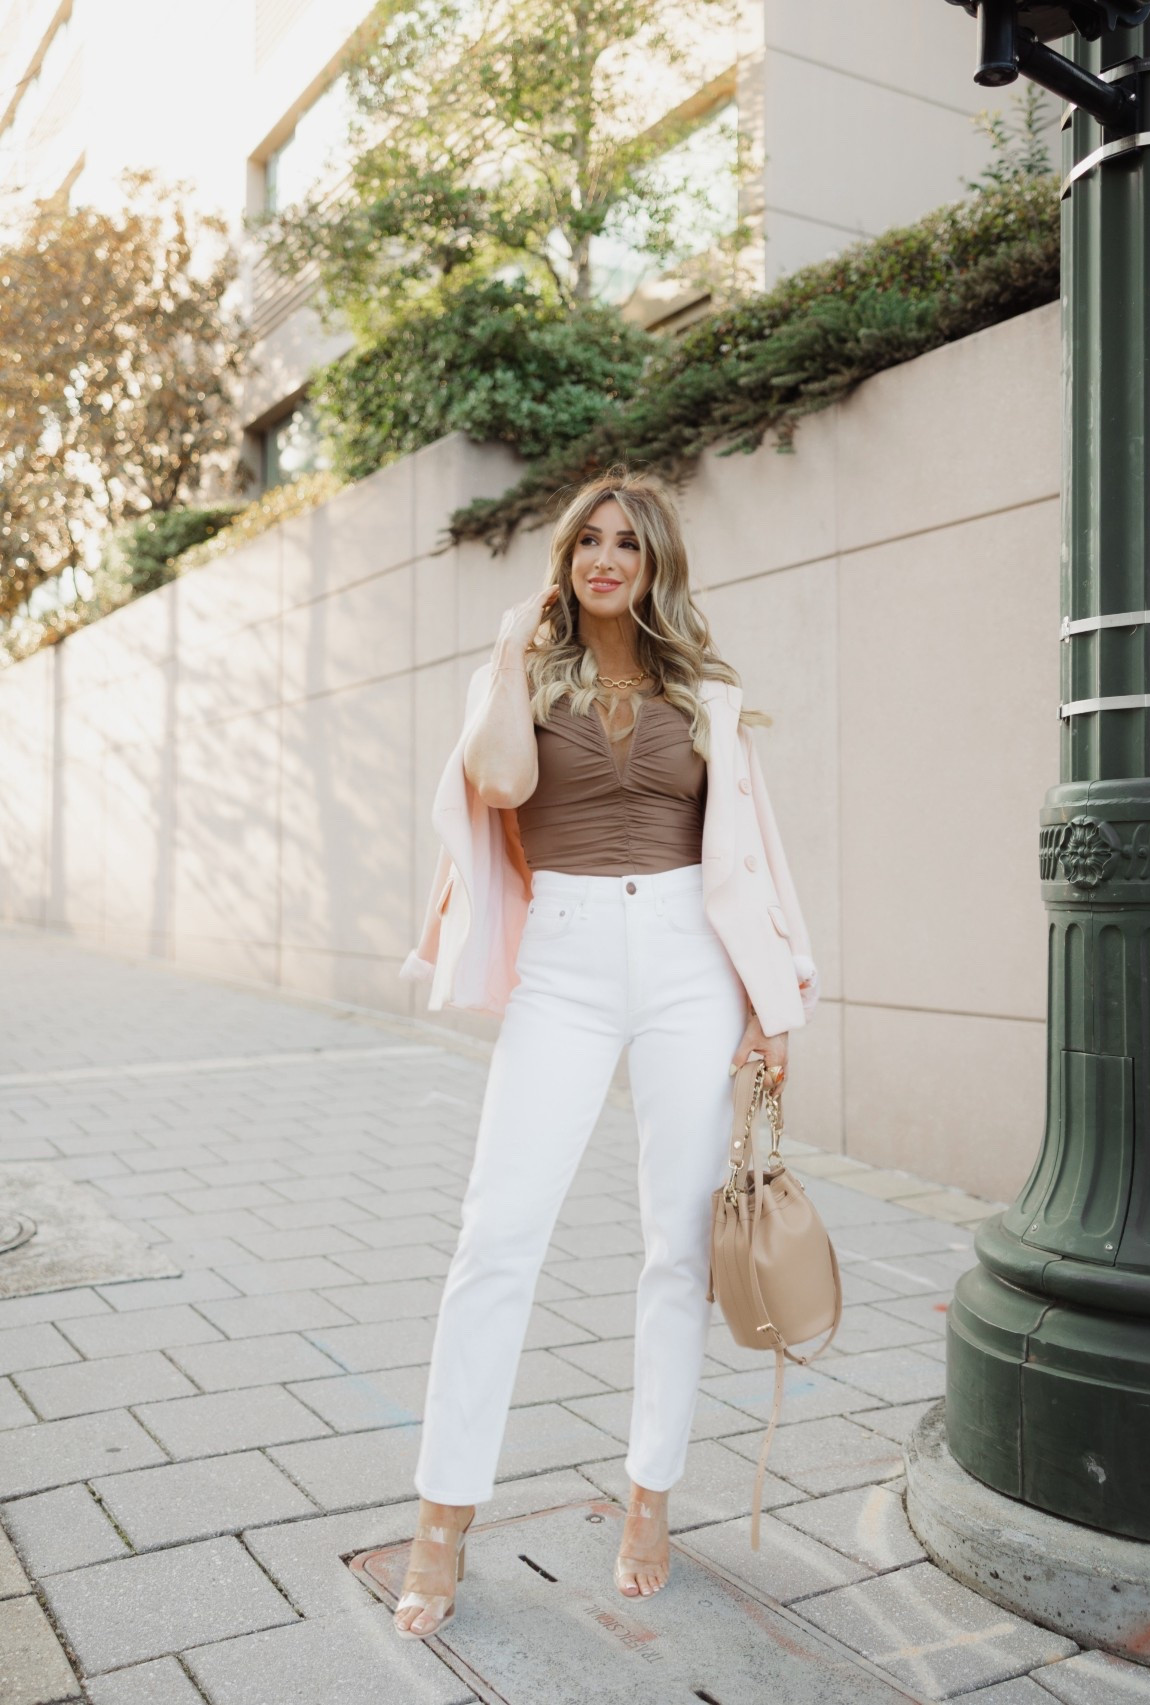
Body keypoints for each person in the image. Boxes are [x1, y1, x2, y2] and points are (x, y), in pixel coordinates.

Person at [394, 469, 819, 1639]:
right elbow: (500, 783)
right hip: (568, 964)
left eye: (627, 541)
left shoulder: (704, 691)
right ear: (565, 559)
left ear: (654, 563)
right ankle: (444, 1516)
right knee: (496, 1236)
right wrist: (501, 651)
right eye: (588, 539)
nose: (605, 557)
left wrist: (770, 1001)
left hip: (689, 959)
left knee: (676, 1247)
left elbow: (754, 859)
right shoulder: (525, 675)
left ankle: (649, 1492)